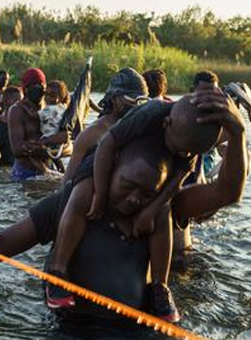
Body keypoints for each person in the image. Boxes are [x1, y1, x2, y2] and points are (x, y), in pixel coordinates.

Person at [0, 88, 246, 327]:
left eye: (147, 193)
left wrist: (237, 132)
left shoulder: (162, 210)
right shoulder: (71, 202)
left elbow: (226, 192)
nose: (134, 200)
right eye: (128, 186)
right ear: (112, 168)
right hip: (72, 329)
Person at [47, 87, 223, 320]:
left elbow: (180, 175)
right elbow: (107, 145)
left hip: (152, 175)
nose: (179, 152)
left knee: (163, 212)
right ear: (167, 124)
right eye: (177, 146)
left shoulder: (190, 141)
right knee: (81, 196)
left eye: (185, 151)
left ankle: (159, 287)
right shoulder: (150, 113)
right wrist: (100, 194)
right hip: (109, 161)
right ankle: (58, 272)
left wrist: (151, 210)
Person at [62, 68, 149, 182]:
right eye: (132, 99)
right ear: (114, 99)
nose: (137, 106)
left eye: (142, 101)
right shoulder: (91, 135)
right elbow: (68, 183)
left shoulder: (141, 128)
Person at [8, 68, 66, 180]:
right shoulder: (17, 111)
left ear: (45, 88)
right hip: (25, 173)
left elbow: (68, 144)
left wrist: (43, 148)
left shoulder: (52, 108)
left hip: (49, 170)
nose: (37, 88)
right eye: (32, 85)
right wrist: (47, 149)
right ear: (25, 89)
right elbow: (17, 149)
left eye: (40, 84)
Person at [0, 86, 23, 166]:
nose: (20, 104)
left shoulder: (23, 122)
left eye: (21, 100)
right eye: (16, 100)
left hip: (17, 167)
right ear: (5, 101)